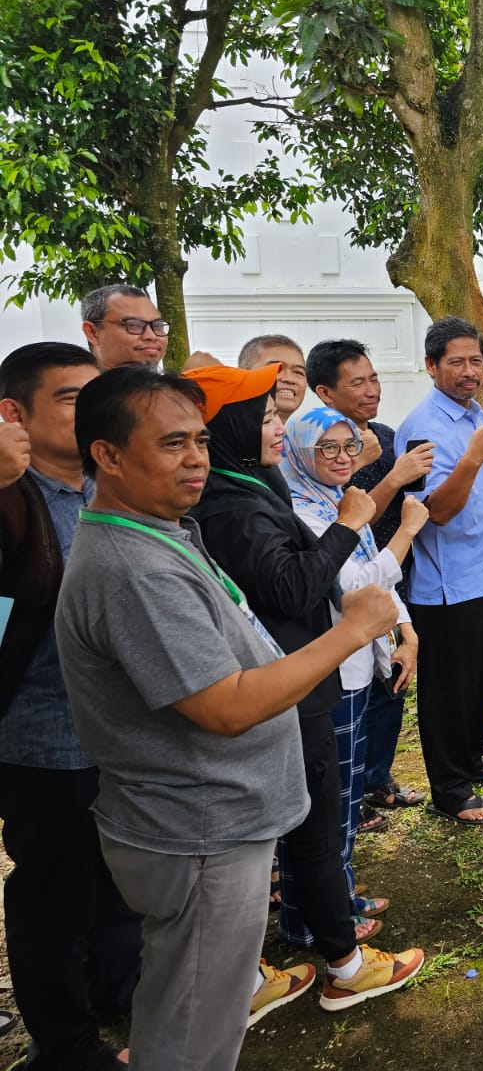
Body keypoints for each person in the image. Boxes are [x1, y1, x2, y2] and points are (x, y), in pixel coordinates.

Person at [53, 367, 406, 1068]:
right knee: (196, 1033)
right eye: (172, 443)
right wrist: (351, 631)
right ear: (108, 455)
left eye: (202, 440)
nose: (195, 459)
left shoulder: (165, 530)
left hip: (214, 819)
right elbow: (225, 705)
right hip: (199, 830)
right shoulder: (135, 567)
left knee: (191, 1009)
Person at [183, 364, 424, 1014]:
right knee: (318, 819)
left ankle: (313, 933)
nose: (276, 426)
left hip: (312, 676)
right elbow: (302, 587)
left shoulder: (250, 485)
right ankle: (342, 959)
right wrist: (358, 520)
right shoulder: (236, 504)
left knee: (320, 815)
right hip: (301, 679)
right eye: (263, 417)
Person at [0, 343, 139, 1071]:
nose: (88, 410)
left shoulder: (102, 489)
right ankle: (65, 1049)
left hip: (121, 737)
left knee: (117, 887)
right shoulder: (14, 502)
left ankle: (118, 997)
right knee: (53, 904)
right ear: (13, 414)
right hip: (44, 740)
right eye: (68, 398)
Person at [281, 409, 428, 930]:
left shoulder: (338, 501)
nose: (342, 458)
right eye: (328, 449)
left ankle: (334, 896)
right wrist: (408, 532)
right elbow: (355, 588)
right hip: (332, 669)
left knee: (341, 799)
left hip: (362, 663)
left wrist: (404, 631)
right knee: (328, 804)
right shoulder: (304, 510)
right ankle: (315, 918)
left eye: (349, 448)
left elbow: (377, 585)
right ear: (298, 451)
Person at [394, 317, 483, 823]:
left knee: (482, 678)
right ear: (431, 366)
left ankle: (471, 759)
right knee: (448, 689)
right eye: (456, 362)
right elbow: (435, 511)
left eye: (476, 362)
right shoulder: (424, 426)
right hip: (448, 585)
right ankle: (448, 788)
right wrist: (471, 458)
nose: (469, 372)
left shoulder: (472, 412)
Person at [306, 339, 435, 817]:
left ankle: (378, 778)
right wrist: (390, 475)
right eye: (356, 382)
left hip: (391, 581)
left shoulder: (383, 432)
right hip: (355, 587)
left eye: (374, 378)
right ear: (325, 392)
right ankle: (354, 794)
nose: (371, 390)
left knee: (393, 686)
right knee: (357, 698)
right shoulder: (316, 454)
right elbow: (351, 515)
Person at [79, 286, 169, 371]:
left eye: (158, 326)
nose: (151, 336)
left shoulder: (170, 386)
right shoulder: (76, 386)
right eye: (133, 325)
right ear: (92, 332)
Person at [241, 334, 309, 425]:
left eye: (298, 372)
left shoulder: (313, 436)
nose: (289, 379)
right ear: (243, 375)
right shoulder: (220, 435)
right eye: (277, 369)